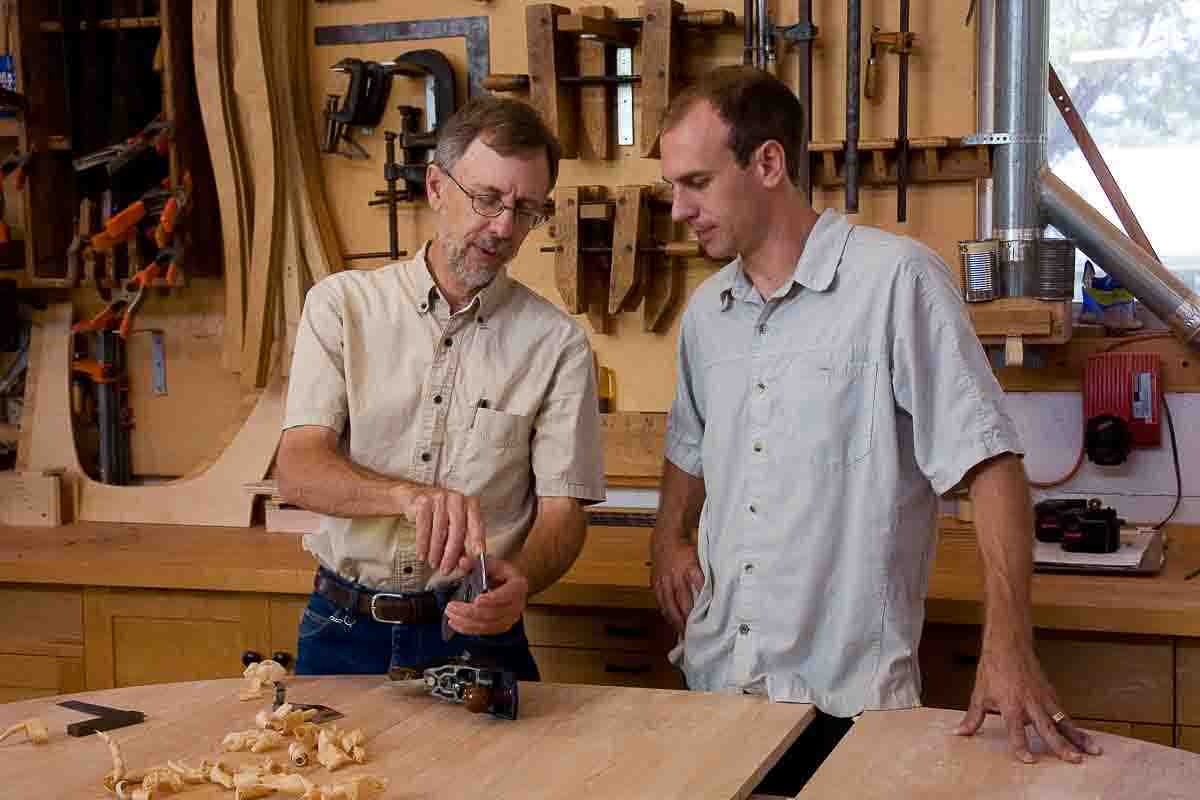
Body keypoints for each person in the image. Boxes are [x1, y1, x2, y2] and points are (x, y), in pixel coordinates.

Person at [650, 66, 1101, 792]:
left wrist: (1009, 646)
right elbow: (689, 442)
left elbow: (992, 467)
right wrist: (669, 537)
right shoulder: (710, 314)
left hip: (844, 704)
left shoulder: (896, 283)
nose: (678, 209)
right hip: (717, 688)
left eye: (695, 182)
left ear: (767, 163)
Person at [276, 96, 605, 680]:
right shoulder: (341, 306)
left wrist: (522, 577)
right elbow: (299, 470)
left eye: (526, 209)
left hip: (477, 634)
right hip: (343, 630)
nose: (504, 227)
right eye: (487, 199)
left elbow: (563, 513)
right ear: (435, 186)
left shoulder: (557, 345)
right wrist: (409, 497)